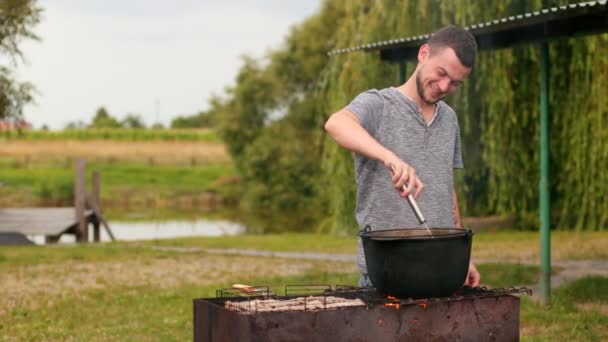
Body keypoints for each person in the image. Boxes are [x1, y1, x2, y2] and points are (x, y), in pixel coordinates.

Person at [324, 25, 480, 289]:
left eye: (454, 83)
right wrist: (390, 158)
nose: (444, 86)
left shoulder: (450, 120)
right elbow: (336, 123)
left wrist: (461, 257)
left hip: (440, 270)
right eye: (441, 73)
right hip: (385, 272)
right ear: (423, 54)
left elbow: (446, 190)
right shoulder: (379, 104)